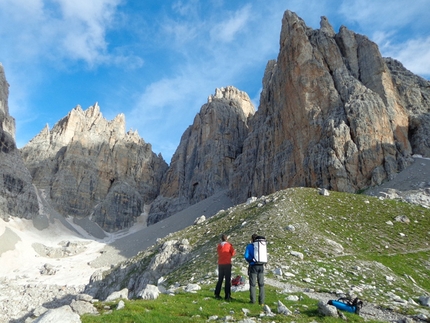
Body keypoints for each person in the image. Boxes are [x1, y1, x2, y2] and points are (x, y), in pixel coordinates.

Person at [244, 233, 265, 305]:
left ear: (252, 239)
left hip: (253, 266)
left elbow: (246, 256)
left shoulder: (250, 246)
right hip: (261, 265)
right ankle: (261, 302)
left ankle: (253, 301)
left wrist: (250, 260)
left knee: (252, 284)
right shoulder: (262, 245)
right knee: (261, 284)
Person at [214, 234, 236, 300]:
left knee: (220, 279)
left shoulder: (219, 246)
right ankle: (227, 295)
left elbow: (218, 252)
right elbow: (233, 253)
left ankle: (217, 294)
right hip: (227, 264)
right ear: (226, 239)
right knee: (227, 280)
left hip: (220, 264)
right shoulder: (229, 245)